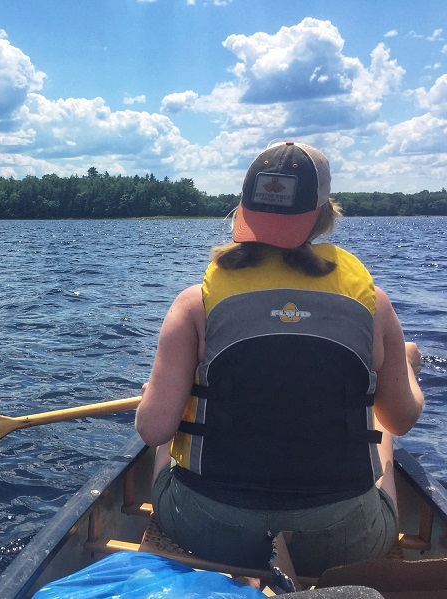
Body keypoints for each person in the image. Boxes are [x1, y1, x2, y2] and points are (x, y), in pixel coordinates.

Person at [135, 141, 425, 577]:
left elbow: (152, 428)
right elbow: (401, 418)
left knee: (161, 429)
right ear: (325, 214)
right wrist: (403, 368)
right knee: (380, 423)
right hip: (344, 538)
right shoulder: (374, 304)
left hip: (211, 528)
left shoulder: (193, 304)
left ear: (243, 210)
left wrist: (158, 400)